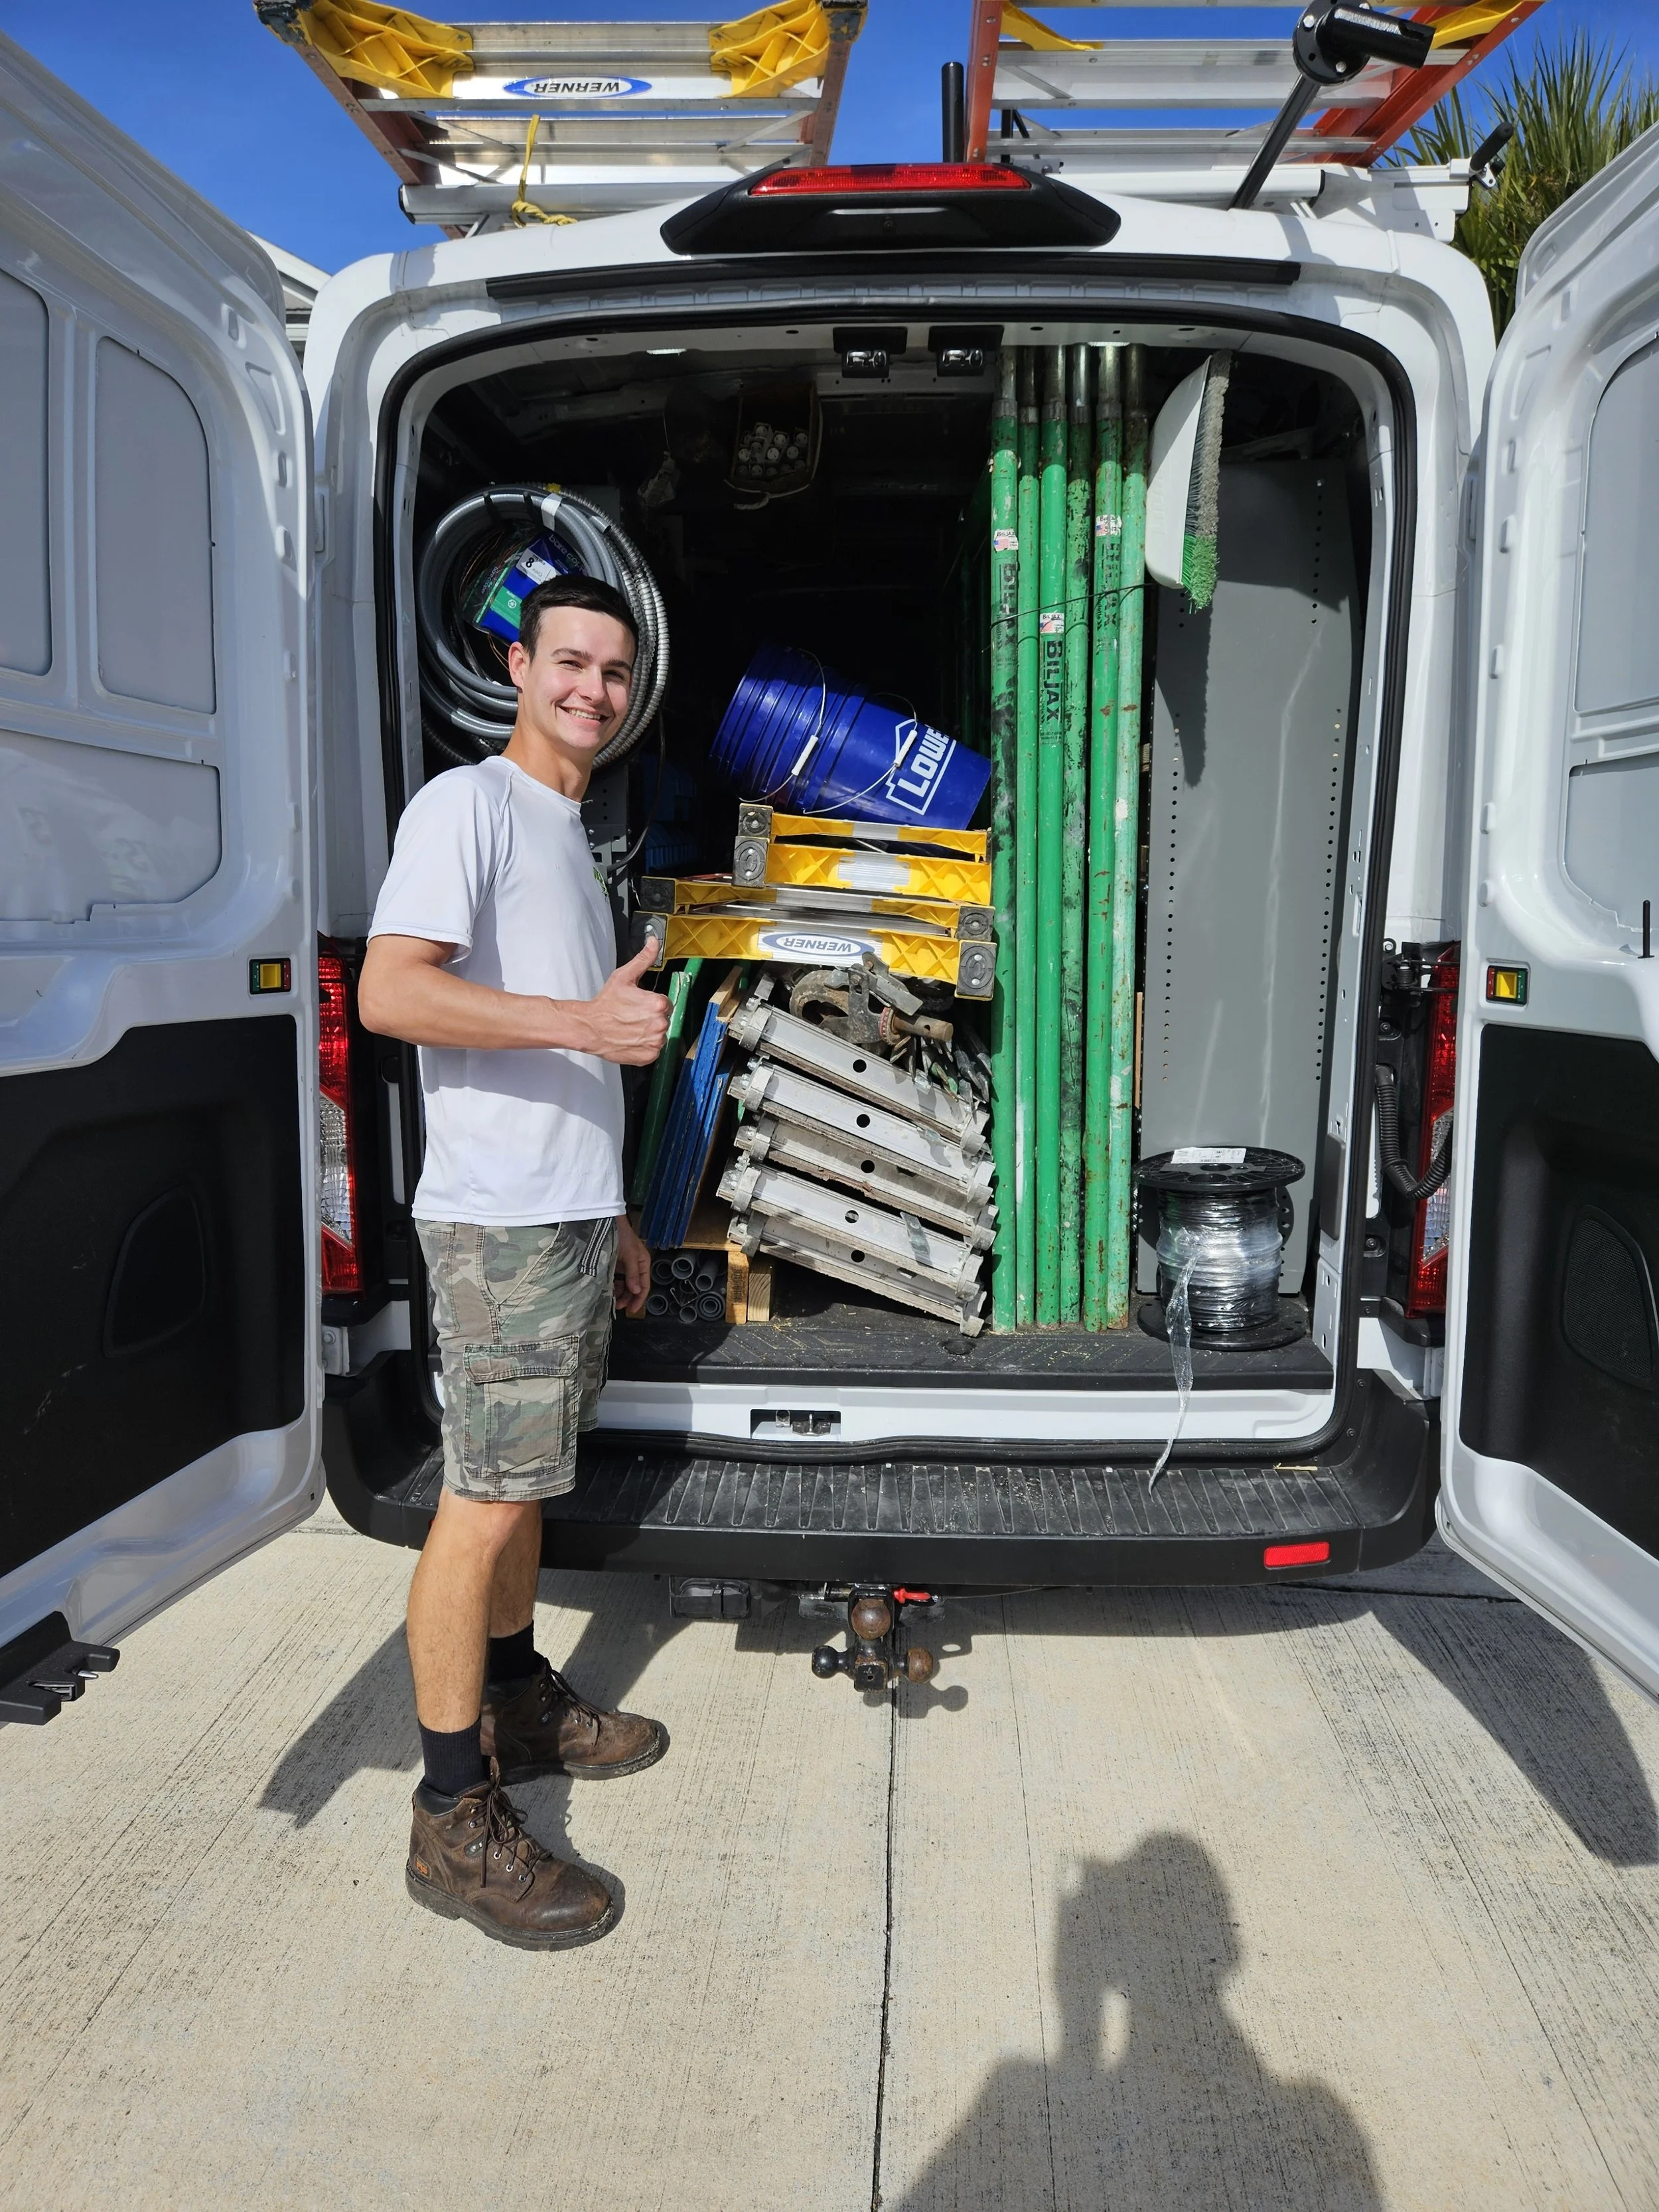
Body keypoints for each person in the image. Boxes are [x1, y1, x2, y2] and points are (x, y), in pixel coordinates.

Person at [358, 573, 671, 1950]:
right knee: (479, 1501)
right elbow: (390, 992)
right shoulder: (466, 808)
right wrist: (577, 1026)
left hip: (559, 1215)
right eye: (569, 662)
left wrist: (613, 1210)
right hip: (491, 1223)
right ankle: (448, 1816)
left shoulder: (566, 833)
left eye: (612, 671)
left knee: (525, 1482)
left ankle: (522, 1695)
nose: (590, 690)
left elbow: (572, 1048)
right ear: (516, 663)